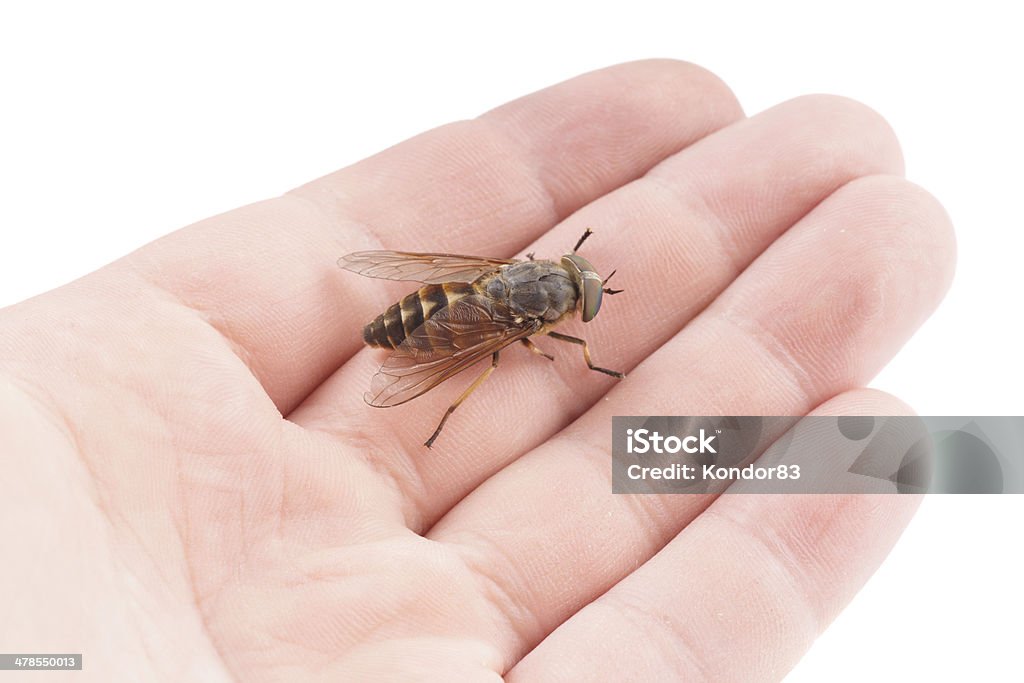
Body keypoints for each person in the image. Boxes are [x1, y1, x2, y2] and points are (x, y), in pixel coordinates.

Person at [0, 60, 955, 680]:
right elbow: (513, 329)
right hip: (444, 320)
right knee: (478, 353)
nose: (579, 292)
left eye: (578, 285)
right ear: (562, 283)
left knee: (476, 333)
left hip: (451, 295)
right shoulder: (547, 318)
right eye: (579, 285)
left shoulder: (527, 277)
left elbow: (466, 285)